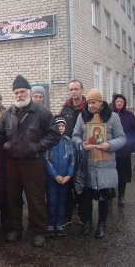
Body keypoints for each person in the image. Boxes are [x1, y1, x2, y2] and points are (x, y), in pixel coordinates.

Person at [0, 75, 61, 247]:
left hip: (33, 162)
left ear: (29, 92)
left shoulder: (42, 112)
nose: (19, 95)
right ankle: (16, 229)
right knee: (13, 198)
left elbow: (54, 134)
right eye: (16, 92)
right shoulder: (8, 113)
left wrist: (37, 147)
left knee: (35, 199)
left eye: (22, 92)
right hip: (12, 162)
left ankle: (39, 231)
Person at [72, 88, 126, 238]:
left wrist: (110, 145)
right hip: (87, 163)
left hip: (105, 164)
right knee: (86, 196)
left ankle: (102, 225)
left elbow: (122, 138)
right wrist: (82, 144)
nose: (91, 106)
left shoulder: (113, 117)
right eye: (89, 102)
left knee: (104, 197)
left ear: (101, 102)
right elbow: (75, 135)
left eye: (94, 102)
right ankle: (87, 223)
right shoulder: (83, 117)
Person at [58, 80, 86, 226]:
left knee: (81, 183)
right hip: (67, 151)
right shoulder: (65, 109)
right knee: (67, 184)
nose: (73, 92)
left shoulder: (88, 108)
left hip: (83, 150)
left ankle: (83, 215)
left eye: (76, 89)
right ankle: (67, 215)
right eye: (71, 89)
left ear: (82, 90)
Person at [44, 117, 75, 238]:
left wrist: (69, 174)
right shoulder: (49, 141)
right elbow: (46, 159)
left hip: (65, 178)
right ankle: (50, 223)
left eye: (62, 126)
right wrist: (54, 175)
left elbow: (73, 159)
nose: (60, 128)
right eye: (58, 126)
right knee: (52, 201)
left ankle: (59, 223)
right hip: (52, 178)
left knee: (62, 201)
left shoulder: (68, 141)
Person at [111, 94, 135, 207]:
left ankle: (121, 195)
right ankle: (110, 193)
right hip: (111, 151)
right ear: (114, 102)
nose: (119, 103)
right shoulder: (109, 115)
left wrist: (131, 147)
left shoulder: (129, 116)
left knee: (123, 175)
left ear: (124, 103)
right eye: (117, 101)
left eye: (121, 101)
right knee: (111, 174)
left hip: (124, 151)